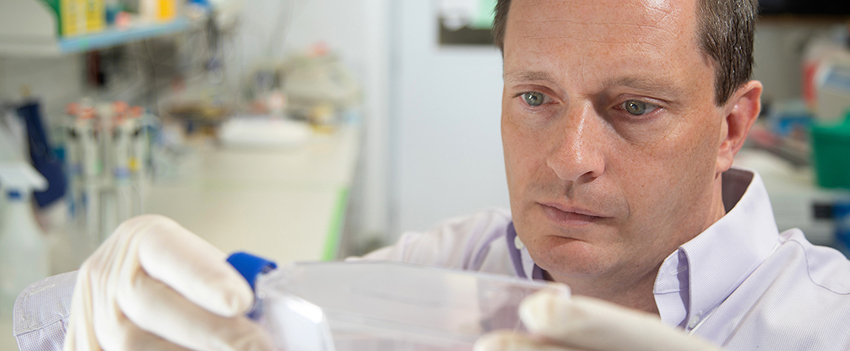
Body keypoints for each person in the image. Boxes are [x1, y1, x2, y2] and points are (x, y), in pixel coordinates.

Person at [12, 0, 850, 350]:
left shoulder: (827, 321)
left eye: (634, 107)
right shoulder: (451, 270)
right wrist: (109, 305)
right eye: (534, 96)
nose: (568, 158)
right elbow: (46, 321)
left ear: (731, 125)